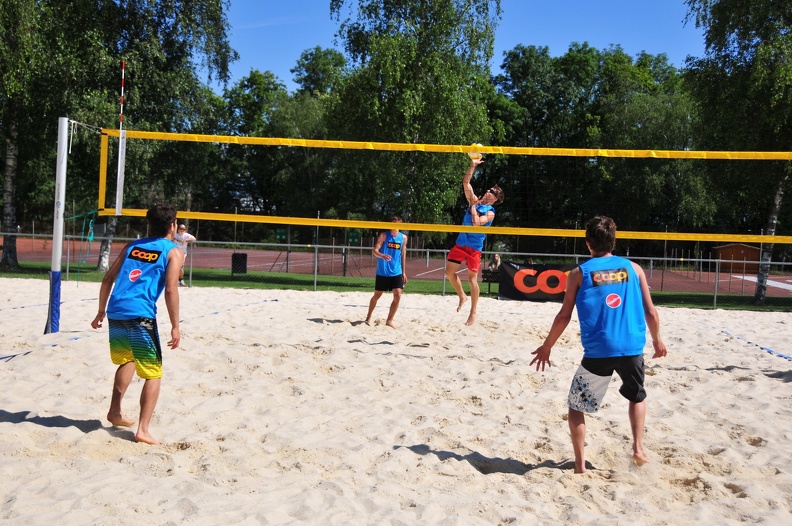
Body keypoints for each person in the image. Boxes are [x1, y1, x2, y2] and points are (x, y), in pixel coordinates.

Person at [530, 215, 668, 474]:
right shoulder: (634, 268)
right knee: (637, 395)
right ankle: (638, 447)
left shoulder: (578, 273)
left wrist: (547, 346)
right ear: (614, 242)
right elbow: (651, 312)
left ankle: (580, 466)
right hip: (632, 348)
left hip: (598, 351)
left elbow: (563, 316)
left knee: (576, 407)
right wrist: (658, 340)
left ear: (587, 243)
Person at [90, 203, 182, 445]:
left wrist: (101, 310)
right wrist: (175, 325)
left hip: (116, 310)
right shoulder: (173, 251)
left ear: (149, 224)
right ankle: (143, 429)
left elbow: (108, 278)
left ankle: (115, 412)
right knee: (153, 373)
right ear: (172, 225)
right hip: (141, 314)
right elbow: (171, 289)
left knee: (127, 359)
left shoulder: (132, 245)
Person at [445, 158, 504, 325]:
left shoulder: (491, 212)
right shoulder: (474, 200)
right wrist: (473, 164)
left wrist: (472, 209)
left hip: (474, 248)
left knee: (472, 280)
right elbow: (466, 182)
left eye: (492, 191)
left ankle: (473, 313)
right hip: (461, 243)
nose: (488, 190)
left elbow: (477, 224)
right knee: (449, 273)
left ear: (495, 198)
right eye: (489, 188)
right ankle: (462, 296)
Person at [366, 216, 408, 328]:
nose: (395, 225)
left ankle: (389, 320)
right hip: (383, 271)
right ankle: (368, 317)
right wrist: (382, 255)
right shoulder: (384, 235)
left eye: (397, 223)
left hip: (396, 271)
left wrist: (404, 272)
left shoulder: (403, 238)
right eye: (393, 223)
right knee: (377, 295)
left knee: (398, 294)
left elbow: (403, 255)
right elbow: (374, 251)